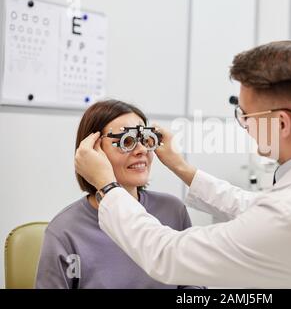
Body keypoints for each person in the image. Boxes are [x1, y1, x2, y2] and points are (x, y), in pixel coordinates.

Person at [75, 41, 291, 288]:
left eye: (246, 116)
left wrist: (108, 187)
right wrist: (182, 168)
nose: (244, 126)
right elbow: (255, 206)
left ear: (281, 124)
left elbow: (166, 255)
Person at [36, 100, 200, 289]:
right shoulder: (65, 231)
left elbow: (193, 287)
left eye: (145, 139)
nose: (141, 150)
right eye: (126, 141)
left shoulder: (172, 211)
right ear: (93, 152)